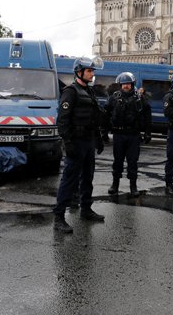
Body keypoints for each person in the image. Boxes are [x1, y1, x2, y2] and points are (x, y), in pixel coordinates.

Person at [53, 56, 106, 233]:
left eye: (92, 71)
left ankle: (86, 209)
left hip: (88, 141)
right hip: (76, 141)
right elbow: (62, 120)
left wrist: (98, 138)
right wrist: (67, 142)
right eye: (89, 71)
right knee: (69, 180)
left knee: (88, 177)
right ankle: (59, 218)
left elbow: (94, 118)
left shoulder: (90, 92)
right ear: (79, 72)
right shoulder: (71, 91)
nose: (92, 74)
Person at [104, 72, 151, 197]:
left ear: (132, 84)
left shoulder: (140, 98)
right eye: (123, 84)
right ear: (120, 85)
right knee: (117, 161)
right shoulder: (114, 98)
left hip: (133, 135)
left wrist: (147, 132)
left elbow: (147, 115)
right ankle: (115, 184)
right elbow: (105, 114)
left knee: (133, 162)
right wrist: (103, 132)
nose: (126, 86)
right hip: (118, 134)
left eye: (128, 84)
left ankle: (133, 186)